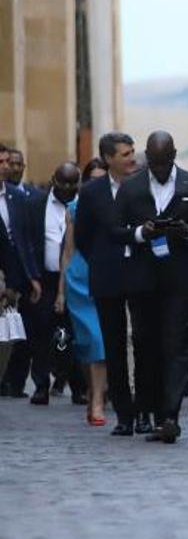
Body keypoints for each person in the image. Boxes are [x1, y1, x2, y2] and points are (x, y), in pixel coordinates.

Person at [114, 130, 188, 444]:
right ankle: (145, 410)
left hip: (179, 282)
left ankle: (170, 415)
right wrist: (141, 233)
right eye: (153, 162)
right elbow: (115, 232)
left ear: (173, 155)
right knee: (145, 346)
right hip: (141, 280)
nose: (158, 168)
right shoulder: (130, 188)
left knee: (175, 347)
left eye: (163, 162)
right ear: (147, 156)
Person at [74, 132, 140, 434]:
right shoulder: (91, 192)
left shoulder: (143, 186)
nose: (132, 159)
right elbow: (83, 238)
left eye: (132, 152)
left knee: (144, 343)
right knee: (112, 346)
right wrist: (104, 260)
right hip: (107, 277)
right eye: (125, 154)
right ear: (109, 158)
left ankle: (146, 410)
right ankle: (124, 415)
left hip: (142, 274)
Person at [25, 163, 84, 406]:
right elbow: (26, 241)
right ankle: (41, 385)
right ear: (53, 180)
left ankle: (79, 387)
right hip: (45, 279)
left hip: (76, 280)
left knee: (74, 334)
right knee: (41, 333)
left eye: (73, 184)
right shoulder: (36, 204)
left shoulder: (85, 204)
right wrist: (31, 277)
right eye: (63, 184)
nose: (68, 189)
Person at [56, 159, 108, 425]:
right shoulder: (75, 208)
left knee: (101, 342)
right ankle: (95, 393)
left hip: (108, 279)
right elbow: (67, 251)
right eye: (92, 179)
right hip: (80, 280)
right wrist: (61, 292)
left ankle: (97, 398)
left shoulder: (116, 205)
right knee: (91, 342)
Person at [0, 143, 43, 399]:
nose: (6, 167)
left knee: (13, 334)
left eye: (8, 161)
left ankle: (13, 381)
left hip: (15, 275)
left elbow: (24, 240)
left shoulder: (16, 197)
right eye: (1, 162)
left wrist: (32, 277)